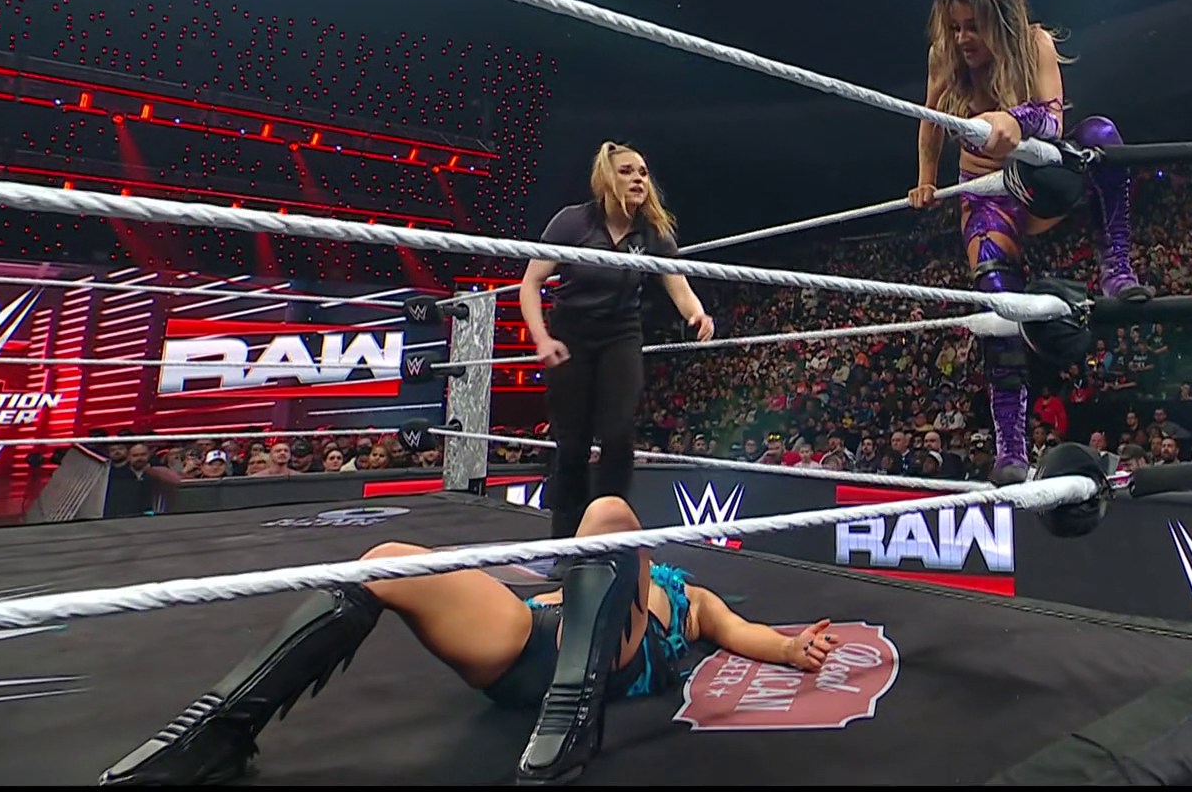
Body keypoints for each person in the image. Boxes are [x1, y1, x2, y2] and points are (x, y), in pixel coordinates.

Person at [99, 496, 839, 786]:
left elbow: (747, 636)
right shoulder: (587, 572)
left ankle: (572, 728)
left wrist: (791, 649)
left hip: (606, 664)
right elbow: (540, 587)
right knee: (385, 562)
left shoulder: (690, 601)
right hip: (528, 641)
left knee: (609, 512)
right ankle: (218, 735)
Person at [907, 0, 1153, 483]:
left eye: (973, 26)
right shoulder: (944, 56)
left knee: (1102, 136)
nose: (962, 38)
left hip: (1042, 184)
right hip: (986, 195)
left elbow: (1054, 119)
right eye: (955, 27)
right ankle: (1011, 449)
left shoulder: (1036, 42)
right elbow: (931, 120)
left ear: (1000, 21)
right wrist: (926, 180)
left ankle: (1116, 265)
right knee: (999, 308)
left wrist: (1011, 120)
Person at [520, 142, 715, 541]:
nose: (638, 179)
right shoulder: (573, 223)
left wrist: (697, 314)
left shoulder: (652, 231)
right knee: (572, 442)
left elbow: (677, 284)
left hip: (621, 335)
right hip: (570, 336)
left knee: (618, 433)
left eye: (642, 172)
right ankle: (565, 540)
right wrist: (542, 338)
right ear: (606, 179)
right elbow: (531, 282)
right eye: (627, 171)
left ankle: (610, 531)